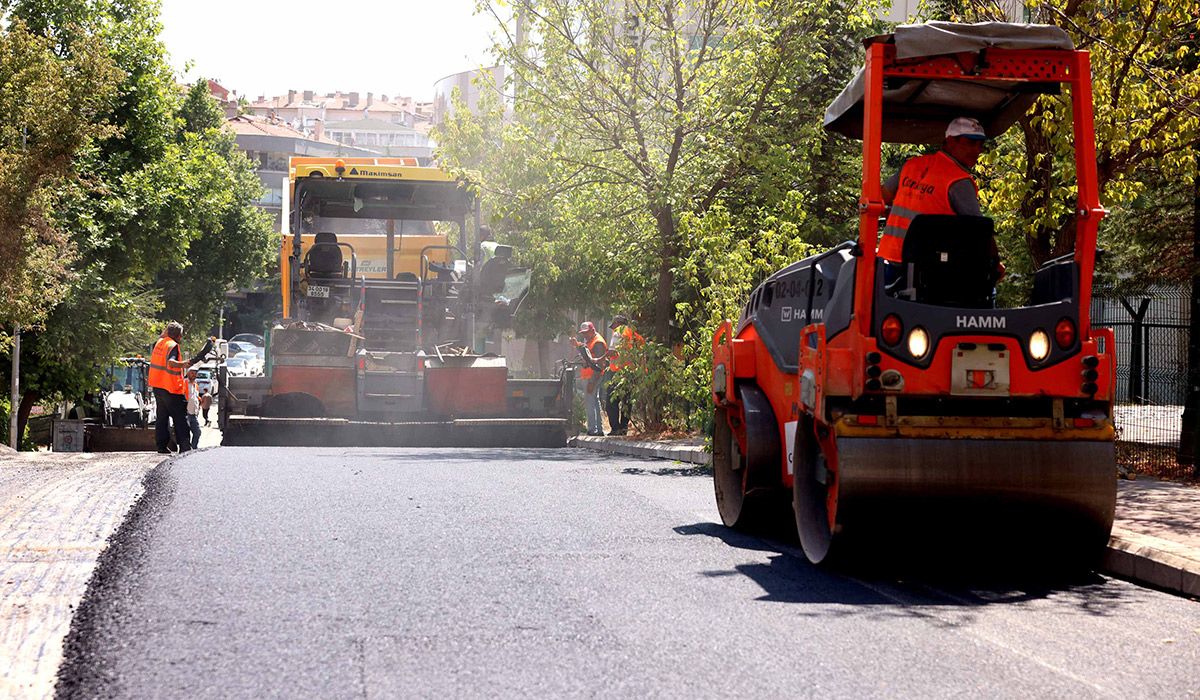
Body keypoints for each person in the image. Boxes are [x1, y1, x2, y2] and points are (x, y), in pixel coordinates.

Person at [879, 116, 1002, 280]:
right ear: (950, 141)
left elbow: (882, 197)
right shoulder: (958, 181)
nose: (977, 150)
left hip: (890, 262)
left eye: (980, 145)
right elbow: (980, 233)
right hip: (929, 272)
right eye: (971, 143)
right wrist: (995, 263)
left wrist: (892, 213)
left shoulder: (912, 165)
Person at [148, 322, 212, 454]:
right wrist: (185, 363)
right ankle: (184, 447)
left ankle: (161, 446)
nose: (181, 338)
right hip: (171, 389)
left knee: (162, 417)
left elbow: (163, 334)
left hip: (158, 386)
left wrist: (170, 327)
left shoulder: (159, 343)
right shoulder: (173, 346)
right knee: (180, 419)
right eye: (181, 335)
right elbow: (171, 362)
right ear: (177, 336)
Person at [603, 315, 643, 436]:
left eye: (613, 326)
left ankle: (616, 429)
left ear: (617, 323)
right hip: (631, 372)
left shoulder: (618, 333)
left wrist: (603, 357)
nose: (613, 329)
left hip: (617, 372)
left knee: (611, 401)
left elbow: (612, 351)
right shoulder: (634, 335)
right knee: (627, 401)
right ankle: (624, 428)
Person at [571, 321, 608, 436]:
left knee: (590, 402)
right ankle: (598, 429)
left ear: (592, 330)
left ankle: (593, 429)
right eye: (583, 333)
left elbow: (600, 364)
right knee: (593, 402)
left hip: (593, 376)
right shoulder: (590, 340)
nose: (584, 335)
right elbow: (587, 355)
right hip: (589, 375)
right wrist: (577, 345)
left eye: (586, 333)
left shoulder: (598, 342)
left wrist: (592, 381)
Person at [185, 368, 202, 450]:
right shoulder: (184, 383)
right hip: (186, 413)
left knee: (197, 432)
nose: (194, 375)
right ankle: (186, 450)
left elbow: (195, 397)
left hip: (193, 413)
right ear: (188, 373)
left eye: (195, 373)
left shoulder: (195, 385)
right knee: (186, 433)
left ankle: (193, 448)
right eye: (192, 373)